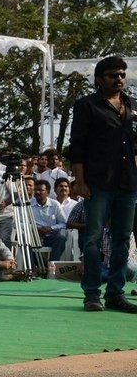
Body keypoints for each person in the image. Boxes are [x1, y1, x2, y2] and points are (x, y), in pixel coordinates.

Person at [68, 56, 137, 313]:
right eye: (112, 75)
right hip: (98, 182)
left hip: (128, 182)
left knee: (122, 240)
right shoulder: (87, 105)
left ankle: (116, 294)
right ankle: (92, 294)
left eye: (121, 74)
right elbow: (77, 146)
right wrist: (80, 181)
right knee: (93, 239)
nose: (118, 79)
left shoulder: (131, 106)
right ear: (99, 79)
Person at [29, 179, 68, 261]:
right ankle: (34, 268)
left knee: (61, 239)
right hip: (34, 235)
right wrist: (34, 229)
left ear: (48, 192)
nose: (37, 192)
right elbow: (22, 222)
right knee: (25, 241)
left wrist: (51, 228)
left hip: (50, 235)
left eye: (41, 190)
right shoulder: (28, 204)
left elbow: (63, 223)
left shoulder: (55, 204)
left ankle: (52, 265)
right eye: (36, 190)